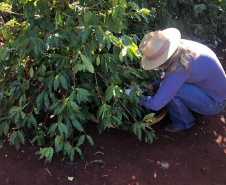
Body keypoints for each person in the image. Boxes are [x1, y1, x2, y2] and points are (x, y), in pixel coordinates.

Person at [137, 27, 226, 132]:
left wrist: (138, 98)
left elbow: (156, 104)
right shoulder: (182, 47)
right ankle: (190, 105)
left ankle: (183, 123)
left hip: (215, 102)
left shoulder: (179, 67)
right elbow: (169, 77)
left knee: (173, 93)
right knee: (167, 84)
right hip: (215, 91)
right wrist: (151, 87)